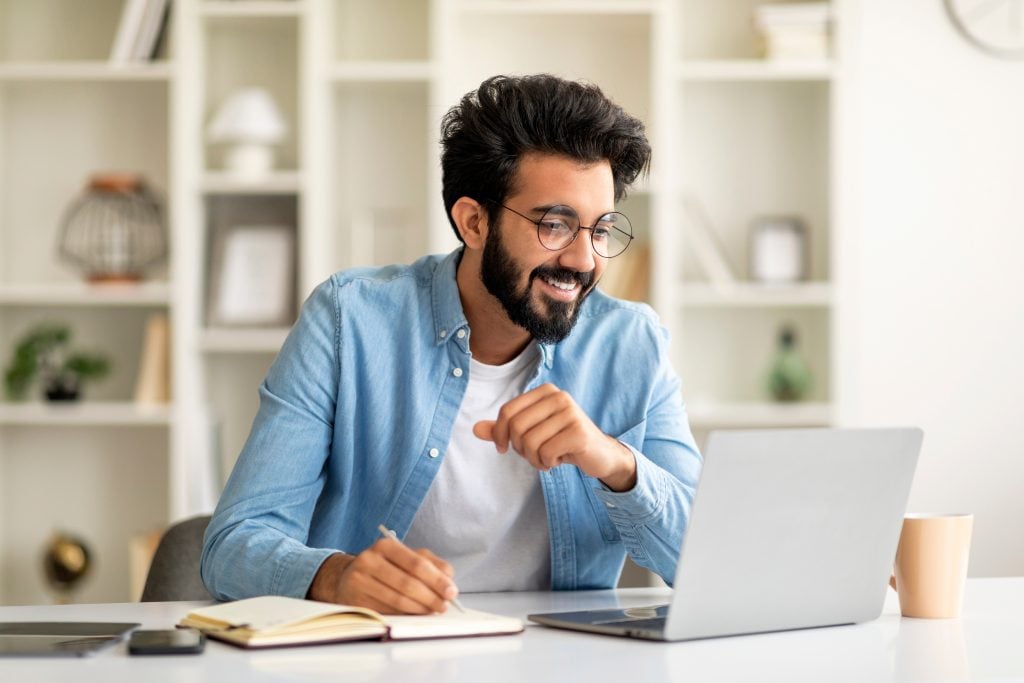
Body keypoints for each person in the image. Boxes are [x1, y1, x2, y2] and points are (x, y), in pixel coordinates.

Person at [201, 74, 702, 615]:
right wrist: (334, 577)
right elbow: (232, 546)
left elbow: (707, 560)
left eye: (600, 230)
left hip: (563, 660)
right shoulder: (351, 320)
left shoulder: (631, 343)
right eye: (555, 225)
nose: (584, 260)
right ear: (473, 221)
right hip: (373, 655)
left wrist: (616, 462)